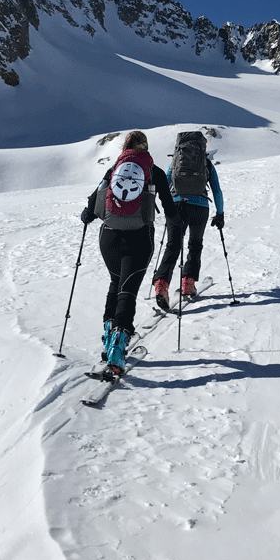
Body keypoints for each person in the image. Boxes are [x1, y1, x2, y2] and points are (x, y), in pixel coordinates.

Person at [80, 130, 176, 376]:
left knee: (115, 283)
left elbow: (91, 206)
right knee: (128, 290)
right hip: (139, 238)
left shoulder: (114, 169)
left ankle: (108, 338)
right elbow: (170, 209)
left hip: (109, 238)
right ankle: (117, 351)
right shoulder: (153, 172)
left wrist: (87, 216)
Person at [151, 131, 224, 309]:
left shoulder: (176, 162)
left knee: (173, 246)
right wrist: (220, 213)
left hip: (176, 206)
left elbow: (166, 182)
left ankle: (161, 284)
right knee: (195, 245)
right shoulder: (206, 164)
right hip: (200, 207)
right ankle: (187, 284)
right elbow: (217, 190)